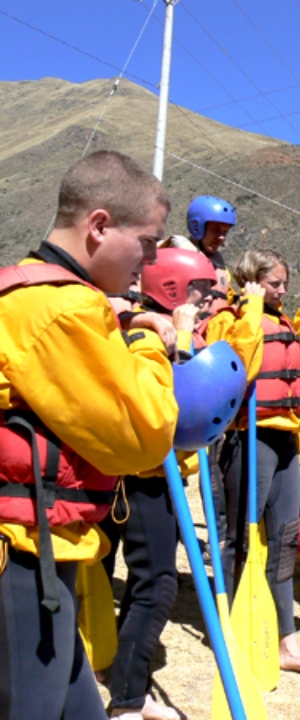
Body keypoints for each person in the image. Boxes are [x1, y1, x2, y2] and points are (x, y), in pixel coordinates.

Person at [0, 150, 178, 720]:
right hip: (23, 561)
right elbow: (142, 436)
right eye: (147, 244)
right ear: (99, 226)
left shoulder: (32, 292)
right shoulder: (63, 309)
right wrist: (152, 343)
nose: (148, 263)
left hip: (43, 554)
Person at [101, 248, 217, 719]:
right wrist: (182, 334)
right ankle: (127, 701)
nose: (207, 301)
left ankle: (129, 680)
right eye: (200, 291)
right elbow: (164, 392)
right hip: (139, 477)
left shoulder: (157, 324)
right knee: (158, 585)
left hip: (159, 475)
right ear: (173, 289)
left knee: (147, 583)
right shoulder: (139, 328)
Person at [209, 249, 300, 677]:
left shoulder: (285, 323)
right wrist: (253, 308)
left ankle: (286, 642)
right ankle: (229, 625)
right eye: (274, 283)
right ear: (252, 281)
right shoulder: (231, 319)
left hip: (283, 437)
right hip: (248, 435)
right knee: (242, 536)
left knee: (284, 541)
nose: (283, 290)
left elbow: (294, 384)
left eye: (283, 283)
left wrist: (299, 448)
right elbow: (242, 366)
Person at [162, 195, 237, 313]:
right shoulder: (173, 260)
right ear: (197, 227)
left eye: (225, 232)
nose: (221, 237)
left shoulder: (219, 266)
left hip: (216, 327)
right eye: (215, 230)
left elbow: (228, 297)